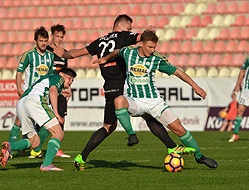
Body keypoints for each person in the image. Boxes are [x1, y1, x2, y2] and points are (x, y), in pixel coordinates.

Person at [54, 14, 196, 171]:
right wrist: (148, 31)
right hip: (123, 87)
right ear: (120, 26)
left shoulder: (100, 41)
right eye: (129, 28)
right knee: (148, 115)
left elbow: (74, 54)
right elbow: (144, 38)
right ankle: (169, 146)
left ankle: (82, 157)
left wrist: (63, 53)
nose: (131, 31)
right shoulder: (125, 36)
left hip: (109, 87)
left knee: (108, 126)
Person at [93, 30, 218, 168]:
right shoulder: (128, 52)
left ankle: (200, 157)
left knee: (179, 130)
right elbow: (117, 51)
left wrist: (195, 86)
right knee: (119, 100)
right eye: (150, 47)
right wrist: (106, 58)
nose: (153, 50)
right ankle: (131, 134)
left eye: (154, 47)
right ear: (140, 44)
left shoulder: (157, 59)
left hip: (154, 102)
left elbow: (177, 72)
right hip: (136, 101)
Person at [0, 68, 77, 171]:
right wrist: (57, 113)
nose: (71, 82)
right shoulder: (58, 78)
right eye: (69, 78)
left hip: (22, 103)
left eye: (73, 80)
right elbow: (53, 90)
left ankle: (11, 146)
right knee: (58, 133)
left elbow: (50, 90)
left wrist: (60, 94)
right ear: (62, 74)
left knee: (34, 142)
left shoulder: (46, 79)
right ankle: (47, 165)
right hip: (34, 101)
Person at [8, 26, 54, 158]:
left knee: (47, 123)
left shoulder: (50, 56)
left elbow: (50, 76)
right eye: (41, 40)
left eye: (45, 40)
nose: (44, 43)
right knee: (19, 121)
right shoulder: (28, 55)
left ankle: (35, 149)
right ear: (36, 41)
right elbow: (19, 72)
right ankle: (10, 149)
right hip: (28, 93)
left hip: (42, 94)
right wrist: (18, 89)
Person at [33, 24, 71, 158]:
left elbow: (66, 73)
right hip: (48, 88)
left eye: (61, 37)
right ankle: (35, 147)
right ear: (52, 36)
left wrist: (68, 88)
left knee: (61, 118)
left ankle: (55, 148)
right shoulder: (47, 51)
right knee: (45, 119)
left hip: (60, 89)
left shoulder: (64, 53)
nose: (59, 39)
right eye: (57, 36)